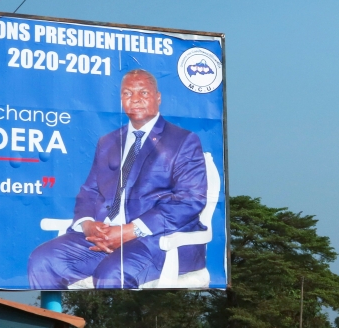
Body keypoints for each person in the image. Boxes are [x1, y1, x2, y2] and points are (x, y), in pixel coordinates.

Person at [28, 68, 210, 289]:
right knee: (42, 260)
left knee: (111, 273)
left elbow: (190, 200)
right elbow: (89, 192)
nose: (135, 99)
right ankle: (55, 323)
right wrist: (87, 225)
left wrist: (129, 230)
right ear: (121, 100)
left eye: (143, 93)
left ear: (158, 98)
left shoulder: (183, 141)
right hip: (103, 238)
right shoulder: (108, 142)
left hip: (156, 241)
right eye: (127, 93)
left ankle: (111, 326)